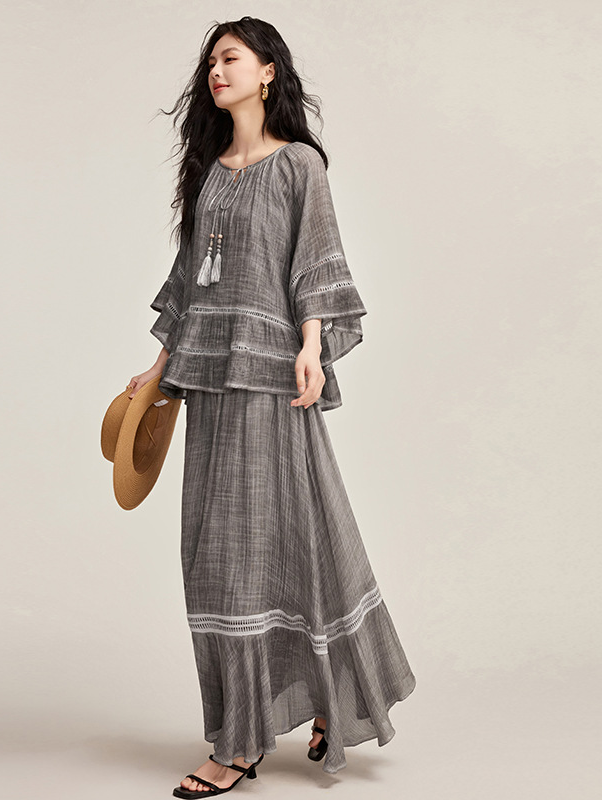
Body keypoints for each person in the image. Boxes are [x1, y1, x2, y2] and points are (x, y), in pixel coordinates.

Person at [125, 17, 416, 798]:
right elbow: (190, 285)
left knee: (286, 541)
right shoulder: (209, 173)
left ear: (267, 72)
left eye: (230, 58)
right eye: (210, 63)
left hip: (274, 379)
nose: (215, 72)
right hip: (212, 383)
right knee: (220, 553)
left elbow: (315, 261)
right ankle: (311, 702)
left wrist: (312, 347)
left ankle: (242, 743)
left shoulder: (299, 166)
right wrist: (156, 371)